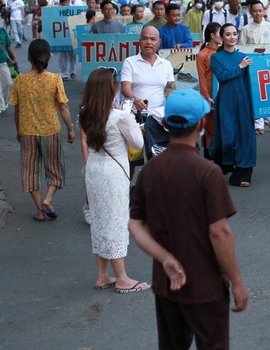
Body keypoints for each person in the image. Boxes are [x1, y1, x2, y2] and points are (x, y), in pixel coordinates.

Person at [129, 90, 248, 349]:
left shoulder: (150, 171)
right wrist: (237, 281)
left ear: (165, 123)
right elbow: (219, 232)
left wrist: (166, 259)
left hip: (166, 284)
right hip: (205, 284)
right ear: (201, 124)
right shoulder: (207, 172)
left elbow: (135, 224)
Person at [79, 67, 148, 293]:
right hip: (114, 173)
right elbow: (138, 144)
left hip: (94, 169)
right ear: (113, 89)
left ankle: (102, 275)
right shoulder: (120, 116)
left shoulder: (85, 112)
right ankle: (122, 278)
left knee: (99, 221)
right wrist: (134, 120)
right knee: (116, 222)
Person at [8, 39, 75, 220]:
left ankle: (39, 211)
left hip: (27, 132)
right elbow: (63, 107)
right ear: (48, 56)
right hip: (51, 131)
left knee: (30, 171)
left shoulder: (20, 80)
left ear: (29, 57)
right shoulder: (54, 79)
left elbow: (16, 110)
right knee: (55, 168)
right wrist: (70, 128)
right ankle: (48, 198)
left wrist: (18, 130)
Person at [209, 24, 257, 187]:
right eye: (228, 34)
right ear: (221, 37)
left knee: (245, 136)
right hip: (226, 102)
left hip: (244, 101)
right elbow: (221, 76)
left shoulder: (244, 56)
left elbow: (252, 82)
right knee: (228, 137)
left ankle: (243, 174)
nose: (232, 37)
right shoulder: (216, 57)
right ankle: (225, 164)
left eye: (234, 34)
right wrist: (240, 67)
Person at [121, 26, 176, 155]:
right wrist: (136, 100)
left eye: (152, 39)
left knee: (159, 157)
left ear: (159, 42)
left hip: (159, 120)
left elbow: (170, 90)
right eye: (145, 39)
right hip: (136, 117)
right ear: (139, 41)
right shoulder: (130, 62)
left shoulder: (166, 64)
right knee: (134, 158)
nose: (148, 42)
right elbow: (125, 89)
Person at [240, 0, 270, 133]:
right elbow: (242, 49)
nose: (258, 13)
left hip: (268, 64)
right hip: (253, 66)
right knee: (256, 93)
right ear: (250, 12)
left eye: (260, 11)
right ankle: (259, 124)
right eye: (255, 11)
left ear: (264, 11)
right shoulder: (246, 29)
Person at [197, 23, 222, 150]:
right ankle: (210, 157)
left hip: (222, 93)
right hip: (209, 95)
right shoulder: (203, 54)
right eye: (220, 33)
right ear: (212, 36)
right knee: (210, 128)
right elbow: (202, 77)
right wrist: (206, 96)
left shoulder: (222, 51)